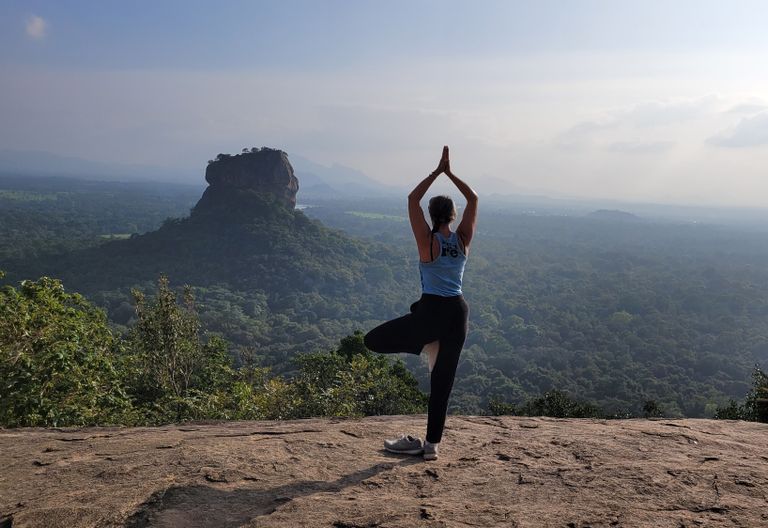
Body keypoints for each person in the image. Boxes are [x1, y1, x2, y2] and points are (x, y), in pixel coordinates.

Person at [364, 145, 478, 461]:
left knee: (372, 340)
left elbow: (412, 199)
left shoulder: (428, 242)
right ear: (453, 216)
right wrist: (450, 173)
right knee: (442, 383)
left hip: (431, 314)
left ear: (431, 216)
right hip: (457, 313)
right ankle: (430, 447)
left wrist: (437, 171)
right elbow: (474, 200)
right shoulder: (462, 240)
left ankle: (423, 342)